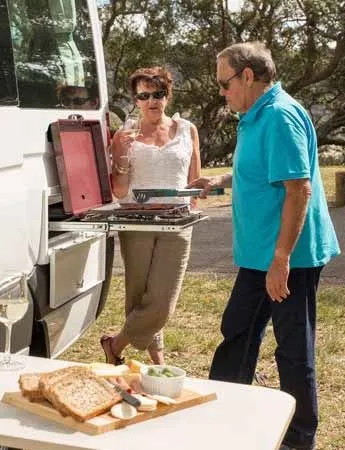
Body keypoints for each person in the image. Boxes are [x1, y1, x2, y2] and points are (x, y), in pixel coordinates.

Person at [188, 42, 340, 450]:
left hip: (288, 257)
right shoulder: (255, 116)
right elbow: (264, 173)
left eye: (224, 84)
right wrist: (219, 182)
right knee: (237, 333)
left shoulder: (280, 116)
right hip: (260, 256)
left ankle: (298, 438)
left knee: (292, 349)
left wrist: (281, 259)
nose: (222, 92)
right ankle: (224, 419)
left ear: (248, 76)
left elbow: (298, 188)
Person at [100, 67, 202, 365]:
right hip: (135, 221)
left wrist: (204, 193)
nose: (152, 101)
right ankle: (159, 363)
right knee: (140, 295)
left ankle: (115, 345)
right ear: (136, 100)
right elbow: (119, 191)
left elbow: (194, 183)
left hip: (178, 223)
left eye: (158, 94)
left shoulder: (187, 130)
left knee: (162, 302)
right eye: (143, 96)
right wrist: (119, 155)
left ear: (167, 96)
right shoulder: (125, 135)